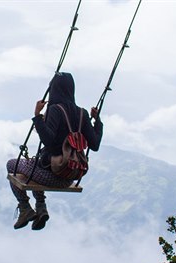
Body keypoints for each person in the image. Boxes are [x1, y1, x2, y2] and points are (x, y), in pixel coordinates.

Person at [6, 72, 103, 230]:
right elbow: (95, 144)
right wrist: (97, 121)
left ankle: (26, 208)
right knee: (35, 164)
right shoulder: (82, 114)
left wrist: (37, 117)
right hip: (70, 177)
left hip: (52, 176)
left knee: (12, 165)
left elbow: (49, 142)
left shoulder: (55, 110)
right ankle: (40, 209)